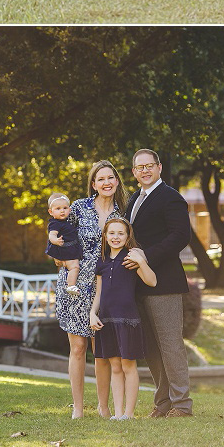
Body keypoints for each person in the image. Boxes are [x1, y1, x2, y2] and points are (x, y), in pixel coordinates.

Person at [54, 159, 129, 419]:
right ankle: (77, 407)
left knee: (102, 351)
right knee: (77, 348)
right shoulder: (77, 207)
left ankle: (104, 406)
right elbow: (58, 239)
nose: (106, 182)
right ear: (94, 184)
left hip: (105, 286)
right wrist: (60, 258)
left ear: (116, 181)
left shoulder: (123, 214)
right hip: (74, 284)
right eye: (101, 179)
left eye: (110, 178)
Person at [124, 148, 193, 417]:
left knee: (171, 345)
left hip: (165, 283)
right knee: (151, 348)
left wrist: (145, 257)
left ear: (159, 167)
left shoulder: (170, 198)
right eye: (139, 167)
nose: (145, 171)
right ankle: (163, 403)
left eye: (149, 166)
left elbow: (180, 236)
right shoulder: (134, 200)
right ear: (134, 172)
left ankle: (182, 405)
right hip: (139, 285)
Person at [89, 216, 157, 421]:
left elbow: (152, 281)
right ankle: (118, 413)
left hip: (127, 319)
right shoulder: (101, 261)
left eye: (121, 233)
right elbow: (99, 293)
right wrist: (93, 313)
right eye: (112, 233)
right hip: (106, 319)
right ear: (105, 236)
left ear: (128, 237)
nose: (116, 237)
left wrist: (141, 261)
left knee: (128, 366)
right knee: (115, 367)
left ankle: (128, 413)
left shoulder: (131, 258)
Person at [46, 192, 82, 295]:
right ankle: (71, 285)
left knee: (74, 267)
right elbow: (52, 235)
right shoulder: (55, 223)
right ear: (51, 211)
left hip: (69, 249)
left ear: (69, 210)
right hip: (66, 250)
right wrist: (55, 241)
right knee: (74, 267)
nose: (62, 211)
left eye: (65, 208)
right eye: (58, 209)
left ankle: (71, 285)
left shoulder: (66, 222)